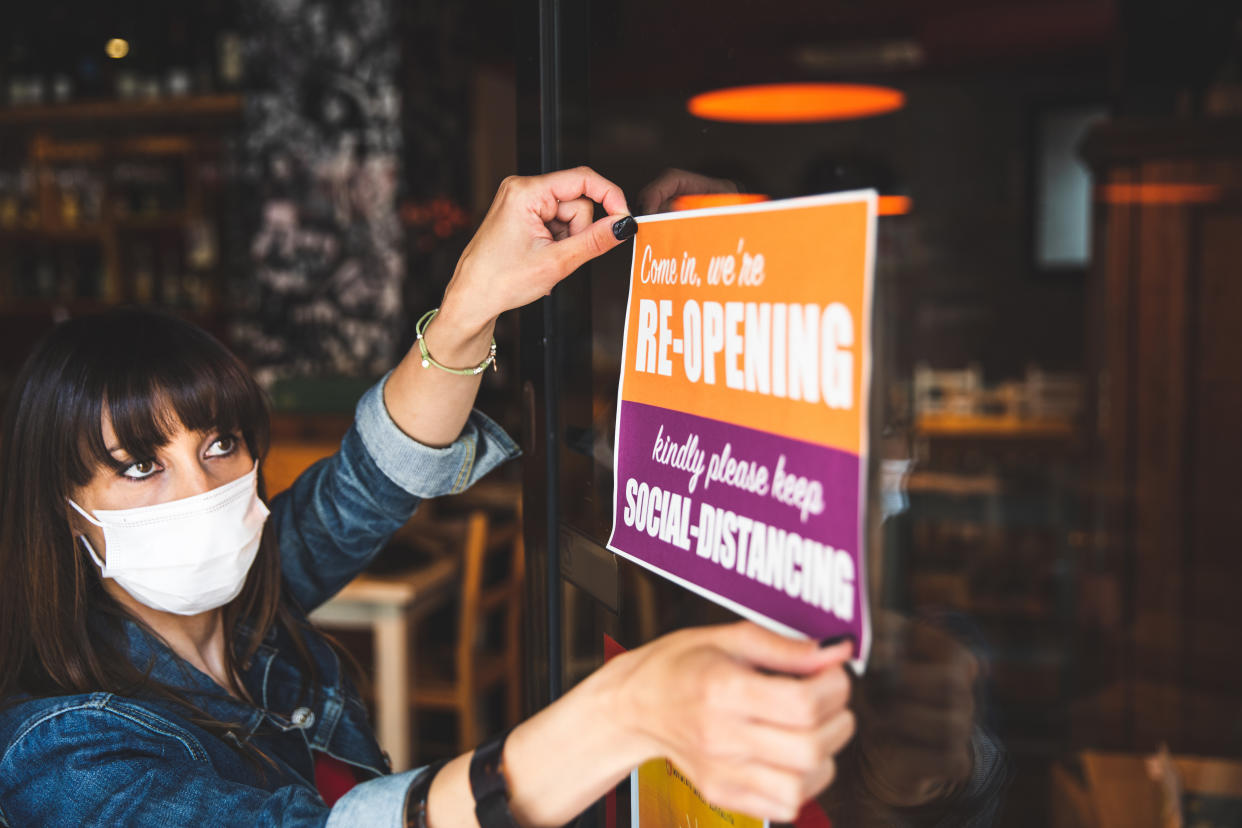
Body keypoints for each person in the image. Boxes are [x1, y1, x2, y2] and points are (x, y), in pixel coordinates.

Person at [0, 168, 858, 827]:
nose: (201, 490)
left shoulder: (254, 605)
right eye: (140, 467)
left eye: (220, 446)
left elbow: (377, 475)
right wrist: (622, 714)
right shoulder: (63, 753)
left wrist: (470, 306)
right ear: (61, 507)